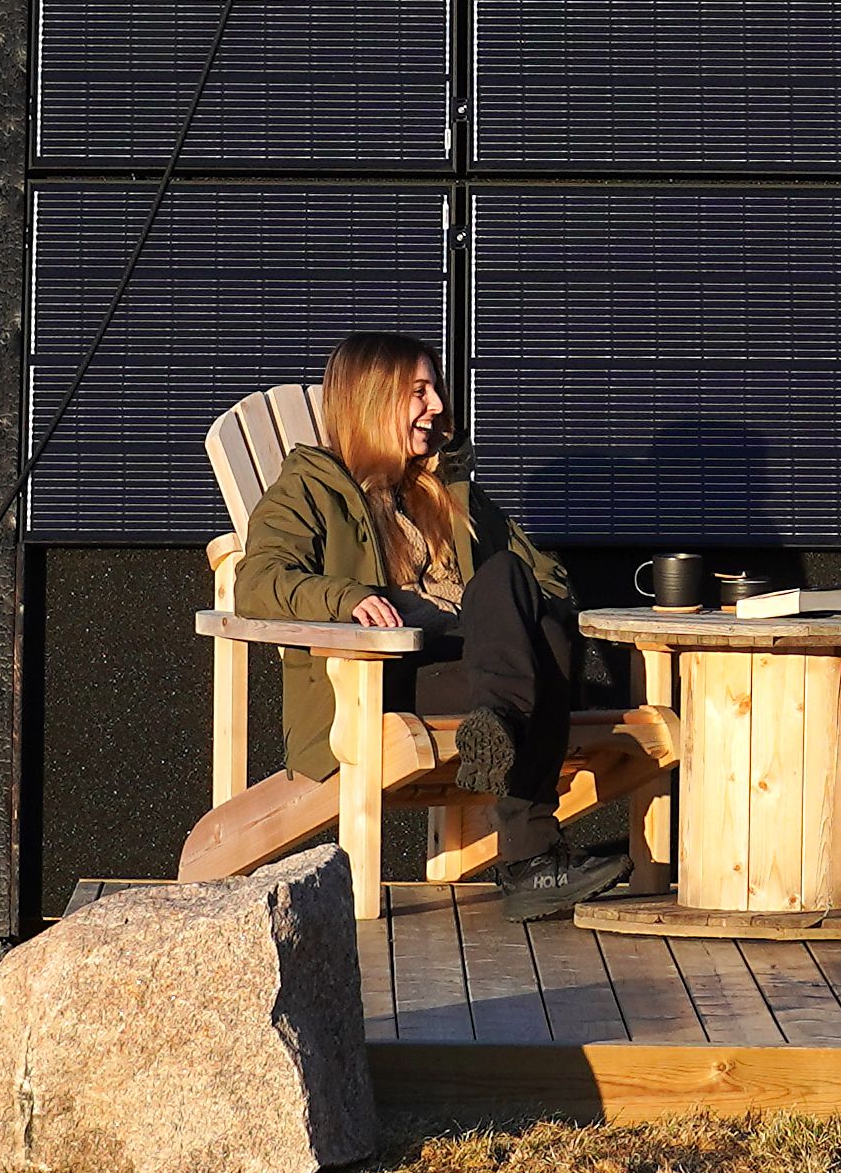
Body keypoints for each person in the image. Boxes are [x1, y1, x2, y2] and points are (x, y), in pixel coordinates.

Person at [227, 329, 634, 924]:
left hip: (482, 666)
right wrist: (347, 598)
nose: (438, 406)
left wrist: (515, 610)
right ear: (372, 400)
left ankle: (497, 730)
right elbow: (256, 581)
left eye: (435, 389)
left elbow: (546, 576)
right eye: (419, 392)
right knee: (531, 641)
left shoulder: (447, 487)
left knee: (509, 582)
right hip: (377, 680)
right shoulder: (310, 488)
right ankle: (528, 857)